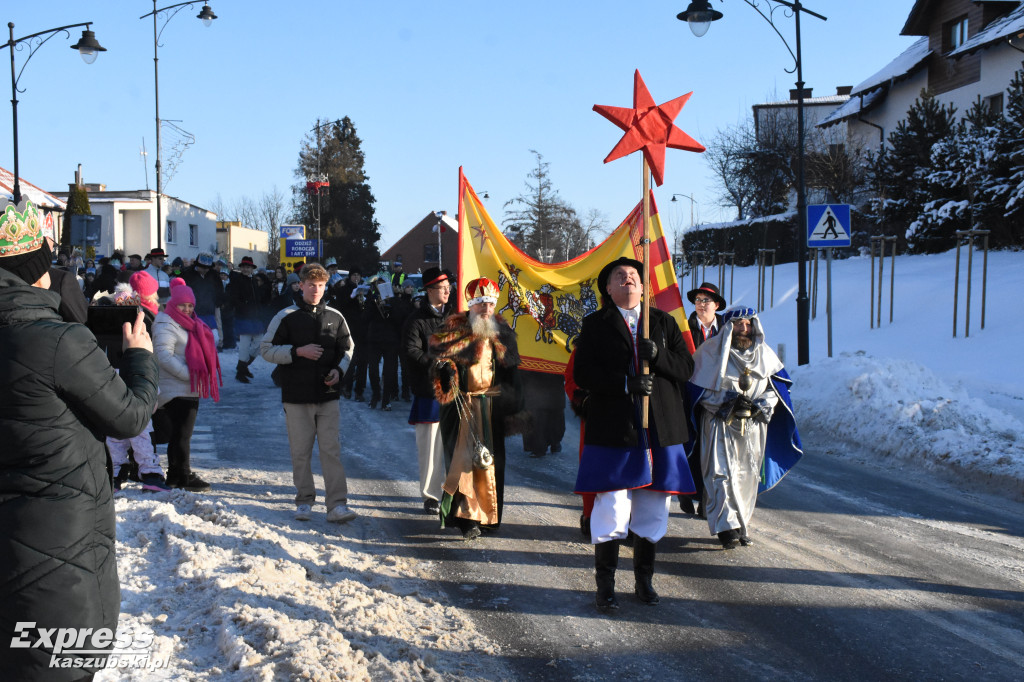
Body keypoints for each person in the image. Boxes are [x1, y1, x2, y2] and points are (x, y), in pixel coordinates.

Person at [0, 200, 159, 679]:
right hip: (55, 552)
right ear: (37, 271)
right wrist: (139, 358)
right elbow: (129, 416)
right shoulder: (56, 340)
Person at [573, 256, 696, 611]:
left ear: (644, 287)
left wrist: (657, 357)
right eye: (619, 276)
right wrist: (624, 383)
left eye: (633, 276)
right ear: (608, 288)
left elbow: (686, 368)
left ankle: (644, 579)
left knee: (653, 507)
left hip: (660, 427)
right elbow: (584, 373)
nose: (628, 280)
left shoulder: (663, 322)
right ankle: (605, 584)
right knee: (612, 506)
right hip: (615, 428)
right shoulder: (595, 325)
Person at [688, 306, 802, 548]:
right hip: (719, 425)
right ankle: (725, 527)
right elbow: (697, 391)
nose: (744, 329)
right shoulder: (709, 353)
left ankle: (741, 522)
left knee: (747, 476)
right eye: (739, 324)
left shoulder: (765, 355)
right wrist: (726, 401)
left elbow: (777, 390)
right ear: (729, 327)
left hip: (752, 427)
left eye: (748, 324)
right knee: (721, 476)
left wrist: (762, 405)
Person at [260, 263, 357, 524]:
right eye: (311, 285)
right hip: (296, 396)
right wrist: (296, 352)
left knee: (331, 451)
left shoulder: (336, 316)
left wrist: (339, 370)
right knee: (300, 452)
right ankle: (304, 501)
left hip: (328, 395)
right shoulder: (285, 316)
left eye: (321, 285)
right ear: (300, 285)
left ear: (326, 287)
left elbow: (347, 349)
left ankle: (337, 504)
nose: (316, 290)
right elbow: (266, 350)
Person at [430, 277, 525, 540]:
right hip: (461, 407)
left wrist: (515, 405)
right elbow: (440, 364)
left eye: (490, 304)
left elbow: (512, 375)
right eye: (480, 303)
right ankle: (466, 518)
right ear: (471, 305)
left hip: (492, 406)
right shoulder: (453, 331)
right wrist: (446, 372)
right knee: (463, 464)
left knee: (490, 463)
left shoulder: (504, 333)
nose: (485, 309)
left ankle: (488, 516)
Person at [152, 278, 221, 491]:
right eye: (183, 305)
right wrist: (189, 376)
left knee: (179, 435)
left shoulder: (192, 324)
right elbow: (163, 356)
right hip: (176, 388)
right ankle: (182, 476)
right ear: (173, 304)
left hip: (186, 388)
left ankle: (175, 475)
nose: (187, 309)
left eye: (191, 305)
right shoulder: (166, 323)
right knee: (181, 435)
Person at [106, 274, 172, 493]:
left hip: (135, 374)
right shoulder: (143, 318)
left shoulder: (146, 319)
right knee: (119, 427)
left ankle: (147, 471)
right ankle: (118, 470)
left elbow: (150, 355)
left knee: (141, 427)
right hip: (119, 374)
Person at [400, 267, 453, 513]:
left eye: (448, 287)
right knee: (431, 447)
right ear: (430, 290)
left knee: (454, 447)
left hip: (456, 391)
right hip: (429, 391)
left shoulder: (456, 316)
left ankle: (454, 493)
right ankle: (431, 495)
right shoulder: (416, 319)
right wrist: (435, 364)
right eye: (443, 288)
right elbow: (411, 350)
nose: (447, 291)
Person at [680, 281, 728, 515]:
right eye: (698, 300)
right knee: (691, 443)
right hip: (690, 393)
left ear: (716, 305)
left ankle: (706, 498)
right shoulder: (685, 328)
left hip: (716, 397)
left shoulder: (727, 329)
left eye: (706, 300)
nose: (700, 304)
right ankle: (687, 491)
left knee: (713, 450)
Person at [228, 256, 269, 383]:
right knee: (244, 345)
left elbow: (258, 299)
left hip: (255, 317)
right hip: (243, 316)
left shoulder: (254, 281)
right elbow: (233, 298)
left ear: (252, 269)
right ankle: (241, 371)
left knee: (259, 343)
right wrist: (243, 306)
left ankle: (243, 366)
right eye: (244, 267)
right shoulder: (237, 280)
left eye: (248, 267)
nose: (246, 269)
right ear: (241, 268)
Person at [520, 370, 566, 458]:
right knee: (537, 411)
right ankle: (539, 446)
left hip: (551, 375)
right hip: (536, 377)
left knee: (551, 411)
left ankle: (551, 442)